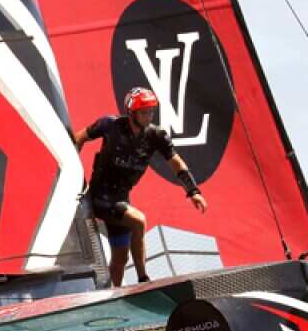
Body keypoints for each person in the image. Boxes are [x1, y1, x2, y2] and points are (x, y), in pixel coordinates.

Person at [73, 87, 208, 286]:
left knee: (121, 258)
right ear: (131, 112)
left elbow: (176, 163)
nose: (148, 116)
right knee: (139, 221)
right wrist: (71, 173)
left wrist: (193, 191)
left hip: (120, 200)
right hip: (99, 197)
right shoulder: (110, 124)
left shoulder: (156, 135)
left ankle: (115, 293)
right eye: (144, 112)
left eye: (151, 112)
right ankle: (144, 279)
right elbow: (79, 137)